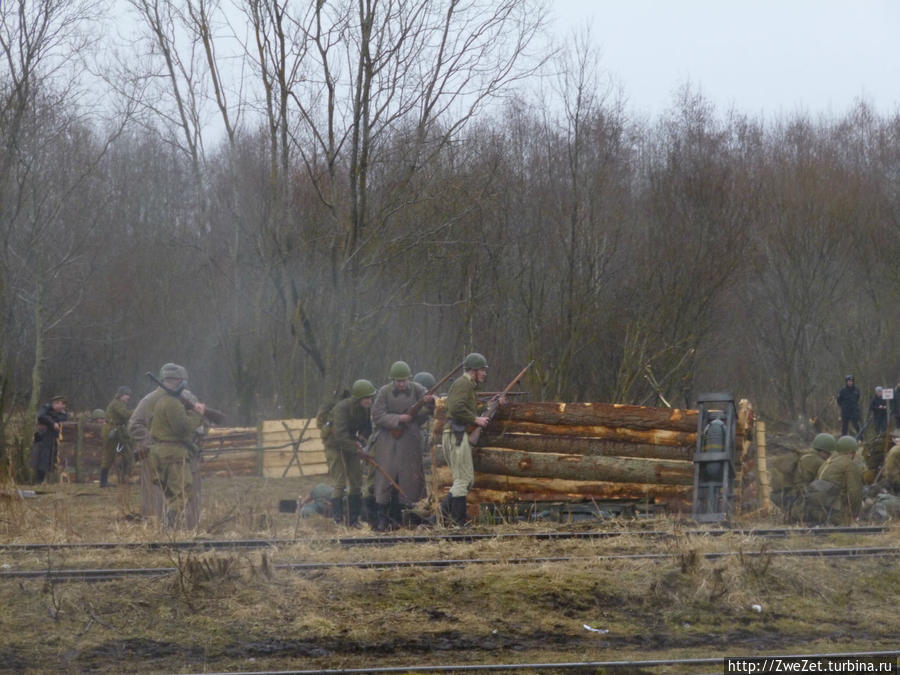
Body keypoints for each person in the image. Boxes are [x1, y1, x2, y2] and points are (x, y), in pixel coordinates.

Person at [128, 364, 204, 525]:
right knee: (181, 491)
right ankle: (180, 527)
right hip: (174, 453)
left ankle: (164, 526)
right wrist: (157, 441)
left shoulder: (153, 399)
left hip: (174, 452)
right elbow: (197, 426)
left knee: (168, 493)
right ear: (181, 380)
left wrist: (154, 443)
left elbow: (134, 425)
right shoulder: (178, 398)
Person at [369, 361, 434, 531]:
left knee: (410, 480)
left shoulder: (418, 389)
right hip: (387, 440)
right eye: (398, 381)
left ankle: (408, 518)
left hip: (410, 440)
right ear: (392, 381)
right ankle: (382, 520)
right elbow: (377, 415)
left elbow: (431, 405)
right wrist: (398, 419)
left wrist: (429, 401)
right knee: (385, 479)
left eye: (404, 380)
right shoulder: (384, 392)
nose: (402, 384)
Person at [440, 352, 491, 526]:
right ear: (474, 370)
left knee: (466, 480)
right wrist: (476, 419)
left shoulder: (468, 386)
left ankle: (440, 519)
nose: (485, 373)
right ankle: (457, 523)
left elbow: (465, 407)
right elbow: (455, 408)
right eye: (482, 370)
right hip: (456, 435)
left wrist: (491, 405)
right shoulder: (463, 384)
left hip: (457, 434)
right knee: (462, 481)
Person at [323, 379, 375, 526]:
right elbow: (340, 436)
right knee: (340, 482)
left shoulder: (366, 409)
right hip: (334, 444)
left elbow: (367, 428)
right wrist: (357, 449)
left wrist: (363, 440)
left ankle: (353, 520)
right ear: (359, 398)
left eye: (371, 397)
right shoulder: (341, 408)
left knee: (357, 481)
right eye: (366, 398)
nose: (369, 400)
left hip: (351, 443)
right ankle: (337, 520)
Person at [793, 435, 863, 525]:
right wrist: (854, 514)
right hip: (835, 511)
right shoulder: (849, 464)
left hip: (818, 509)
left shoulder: (828, 461)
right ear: (852, 452)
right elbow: (855, 492)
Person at [769, 433, 834, 516]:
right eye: (829, 454)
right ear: (824, 451)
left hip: (782, 494)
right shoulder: (817, 461)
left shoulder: (806, 455)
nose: (829, 457)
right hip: (792, 495)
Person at [100, 386, 133, 488]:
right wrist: (138, 410)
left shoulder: (121, 404)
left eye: (129, 395)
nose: (128, 397)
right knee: (108, 455)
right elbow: (126, 414)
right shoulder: (116, 404)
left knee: (128, 454)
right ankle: (103, 481)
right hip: (111, 430)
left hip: (119, 431)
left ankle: (125, 478)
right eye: (126, 395)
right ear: (121, 395)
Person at [30, 395, 68, 484]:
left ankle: (49, 481)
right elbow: (41, 416)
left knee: (52, 461)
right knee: (39, 461)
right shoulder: (46, 408)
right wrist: (52, 423)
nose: (63, 407)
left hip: (54, 440)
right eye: (62, 404)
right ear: (56, 403)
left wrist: (51, 420)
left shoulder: (63, 414)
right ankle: (38, 481)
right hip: (42, 438)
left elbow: (62, 420)